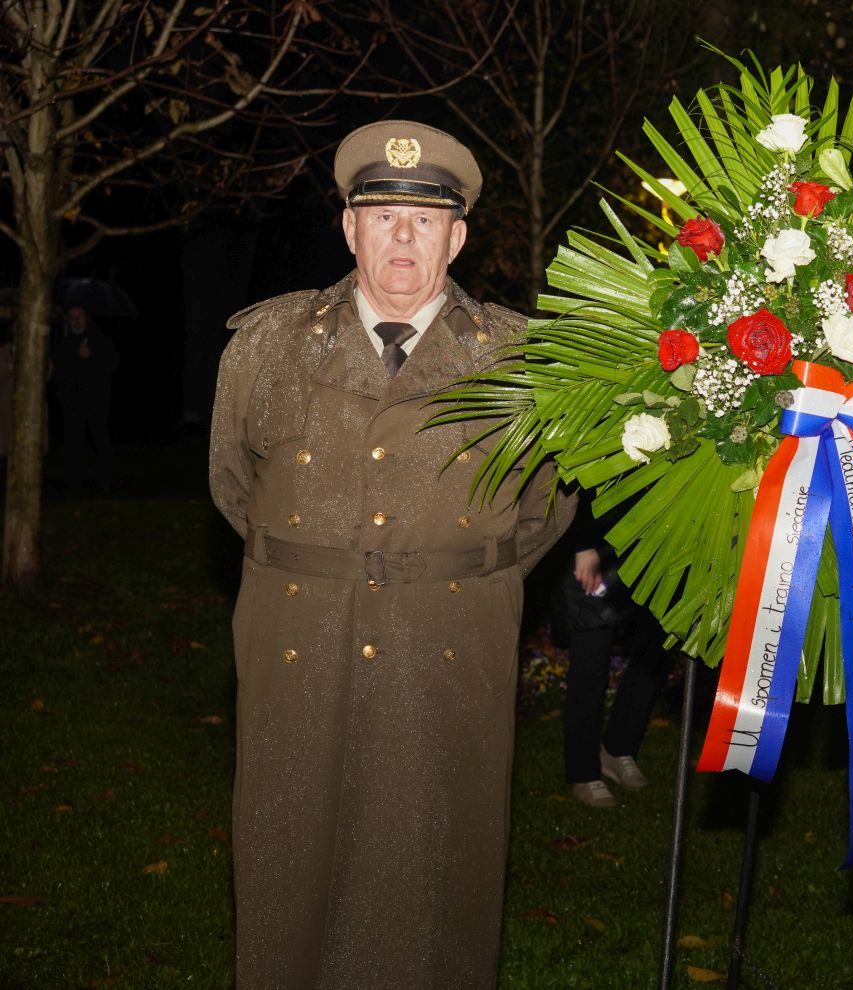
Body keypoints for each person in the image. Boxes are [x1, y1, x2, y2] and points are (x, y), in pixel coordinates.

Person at [209, 120, 570, 990]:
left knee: (436, 861)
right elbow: (232, 485)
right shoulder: (268, 344)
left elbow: (545, 507)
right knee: (288, 851)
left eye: (425, 220)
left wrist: (448, 574)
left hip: (448, 642)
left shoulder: (518, 360)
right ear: (349, 228)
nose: (402, 238)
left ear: (457, 237)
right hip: (300, 641)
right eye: (382, 217)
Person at [559, 496, 671, 807]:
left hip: (656, 538)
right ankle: (583, 771)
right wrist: (582, 545)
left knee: (655, 651)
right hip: (598, 543)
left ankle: (619, 749)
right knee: (591, 658)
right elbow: (575, 478)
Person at [51, 304, 118, 493]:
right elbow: (59, 371)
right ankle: (74, 482)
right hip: (73, 402)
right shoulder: (65, 343)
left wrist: (91, 356)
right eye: (72, 317)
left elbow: (112, 364)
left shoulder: (99, 339)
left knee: (100, 440)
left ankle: (103, 482)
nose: (76, 321)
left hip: (97, 401)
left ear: (87, 318)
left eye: (79, 316)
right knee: (73, 442)